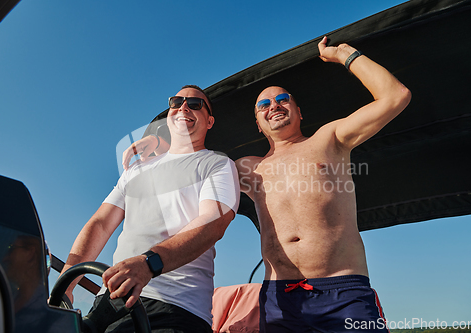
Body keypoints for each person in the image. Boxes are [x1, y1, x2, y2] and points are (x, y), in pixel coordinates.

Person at [123, 37, 411, 332]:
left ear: (299, 113)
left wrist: (345, 55)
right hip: (279, 299)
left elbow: (394, 96)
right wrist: (163, 140)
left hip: (342, 291)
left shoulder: (330, 139)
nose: (274, 105)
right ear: (258, 124)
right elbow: (195, 163)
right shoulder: (246, 167)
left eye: (283, 99)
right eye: (263, 104)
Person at [61, 85, 240, 333]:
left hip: (175, 307)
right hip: (109, 301)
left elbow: (212, 222)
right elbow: (101, 223)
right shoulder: (136, 169)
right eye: (176, 102)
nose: (184, 107)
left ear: (209, 121)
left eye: (195, 104)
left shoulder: (217, 164)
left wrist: (149, 263)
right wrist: (66, 284)